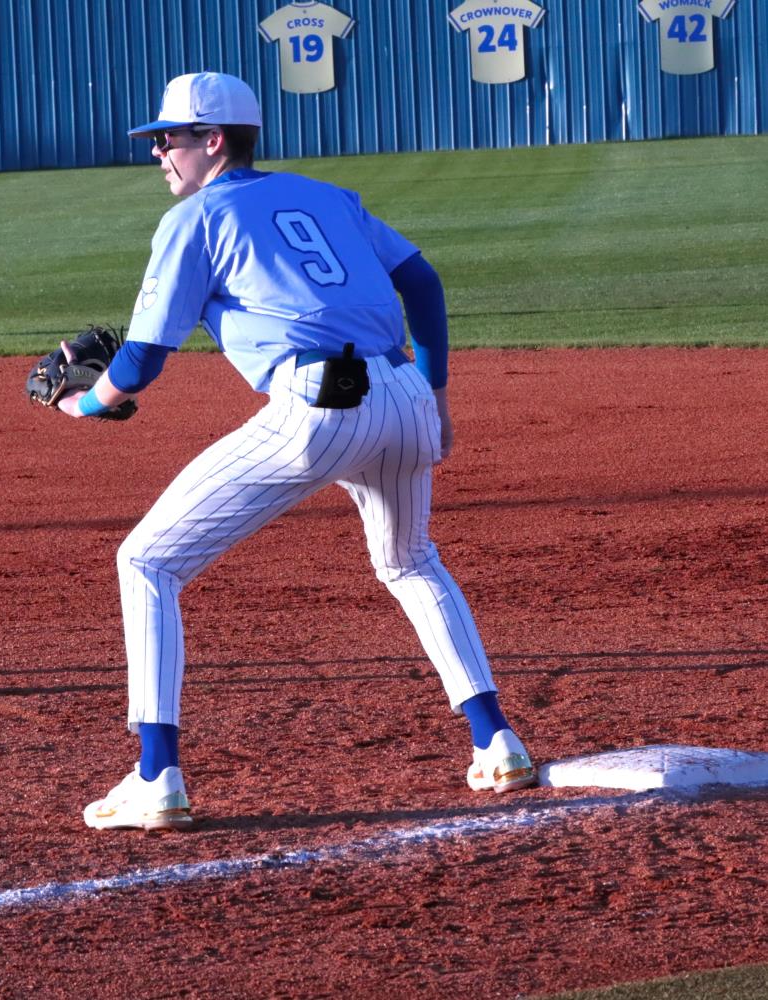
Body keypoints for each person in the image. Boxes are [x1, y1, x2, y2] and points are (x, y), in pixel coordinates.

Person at [63, 73, 535, 832]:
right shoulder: (327, 196)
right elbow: (422, 279)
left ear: (213, 140)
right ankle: (498, 742)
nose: (158, 150)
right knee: (411, 562)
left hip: (318, 407)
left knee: (146, 562)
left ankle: (155, 776)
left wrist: (86, 402)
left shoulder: (198, 217)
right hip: (405, 399)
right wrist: (438, 394)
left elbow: (144, 359)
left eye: (170, 137)